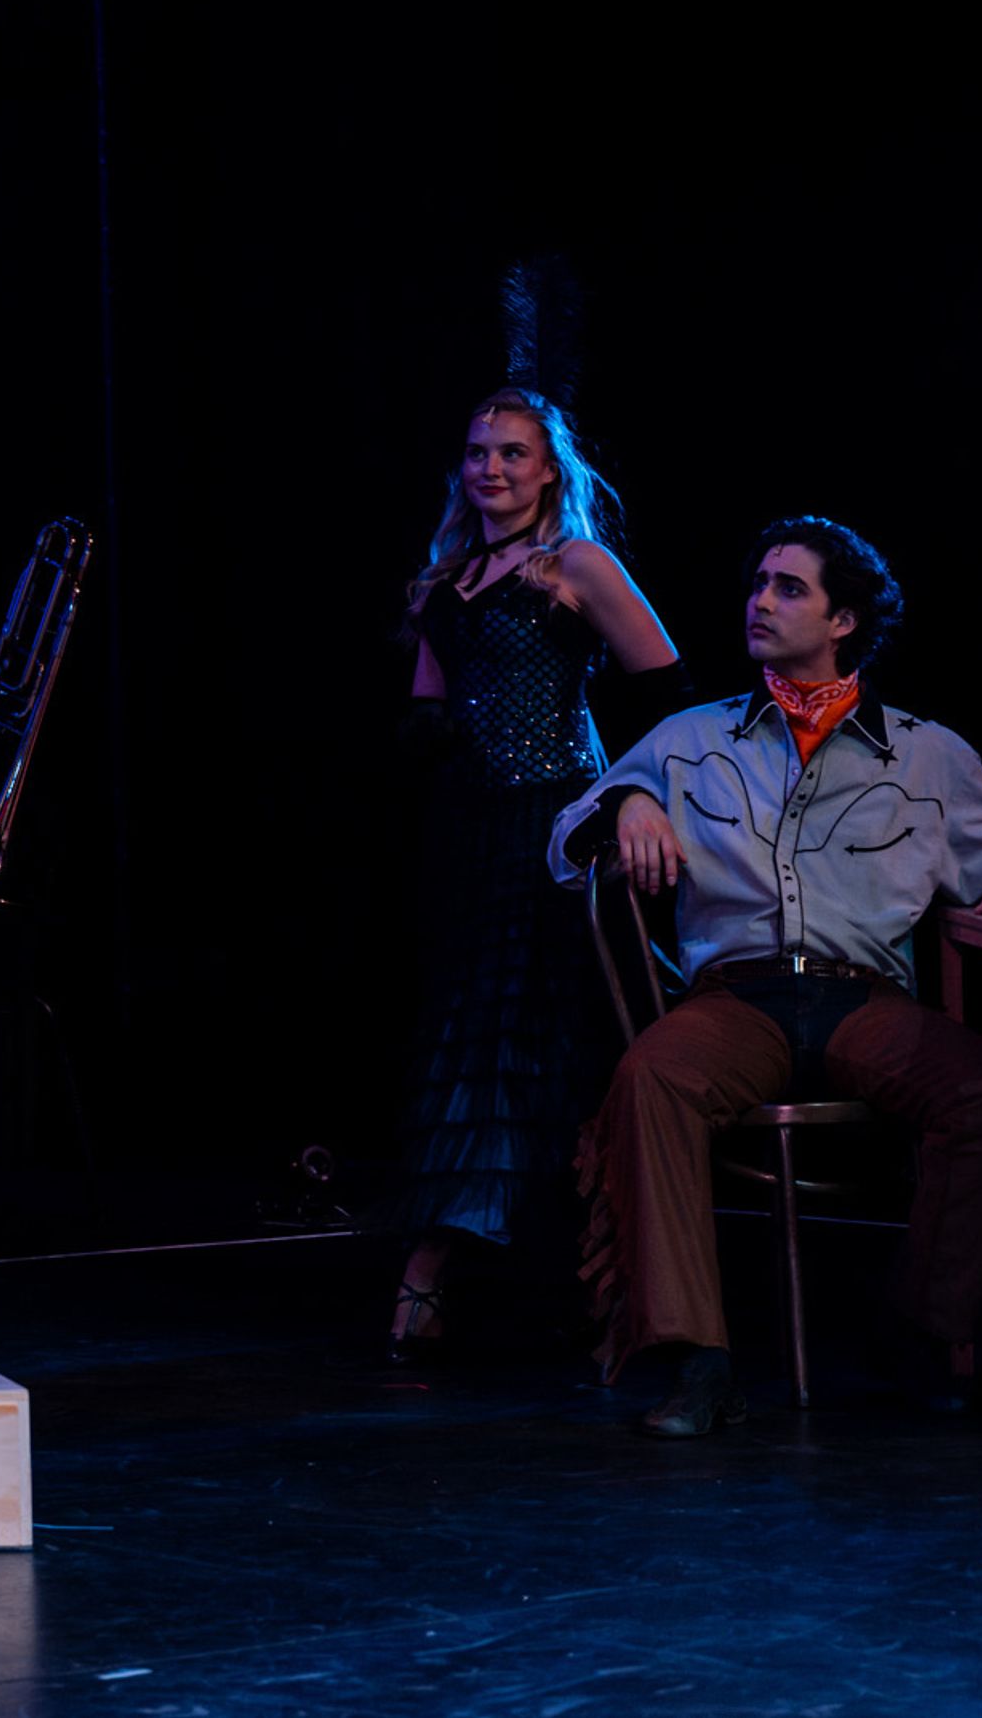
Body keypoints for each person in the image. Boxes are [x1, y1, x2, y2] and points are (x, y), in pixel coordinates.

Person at [553, 518, 982, 1437]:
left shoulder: (926, 752)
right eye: (757, 583)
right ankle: (697, 1360)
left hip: (860, 998)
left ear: (845, 620)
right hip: (737, 997)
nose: (760, 601)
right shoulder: (692, 736)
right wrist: (628, 800)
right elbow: (566, 834)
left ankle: (920, 1331)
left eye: (788, 588)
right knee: (649, 1079)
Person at [384, 387, 679, 1361]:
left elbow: (666, 688)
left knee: (534, 1042)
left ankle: (529, 1276)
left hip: (555, 826)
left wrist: (625, 797)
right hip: (465, 834)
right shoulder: (443, 580)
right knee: (467, 1036)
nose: (492, 471)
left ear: (551, 469)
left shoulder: (576, 565)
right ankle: (471, 1267)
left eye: (513, 454)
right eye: (478, 454)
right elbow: (431, 704)